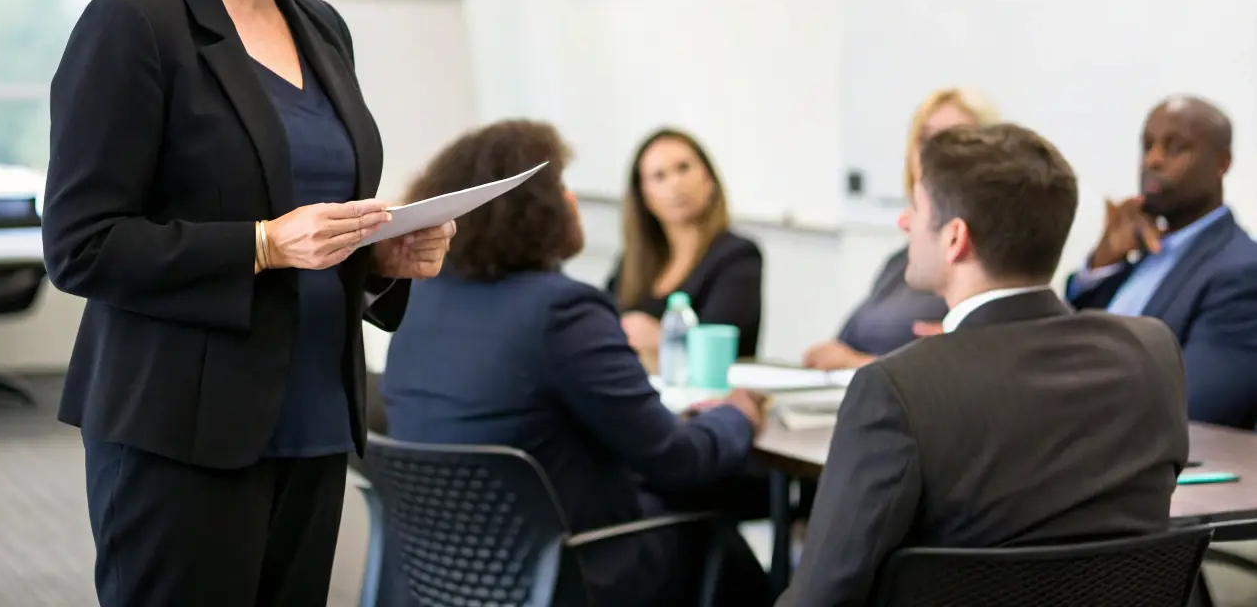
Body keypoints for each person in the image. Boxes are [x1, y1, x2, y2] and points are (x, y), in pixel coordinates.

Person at [41, 0, 455, 607]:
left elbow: (317, 231)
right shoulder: (133, 26)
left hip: (312, 418)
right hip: (178, 433)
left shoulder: (322, 28)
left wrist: (380, 259)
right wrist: (264, 246)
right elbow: (81, 247)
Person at [781, 123, 1188, 607]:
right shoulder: (1152, 353)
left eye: (916, 208)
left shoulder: (898, 389)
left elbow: (821, 597)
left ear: (955, 239)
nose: (904, 223)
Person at [382, 120, 772, 607]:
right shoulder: (561, 310)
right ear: (533, 209)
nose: (573, 201)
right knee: (725, 544)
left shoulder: (418, 300)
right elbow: (678, 461)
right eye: (561, 187)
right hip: (574, 572)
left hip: (448, 576)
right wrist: (736, 414)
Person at [1066, 95, 1257, 428]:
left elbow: (1191, 407)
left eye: (1175, 148)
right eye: (1148, 145)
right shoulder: (1141, 251)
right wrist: (1103, 262)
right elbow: (1064, 338)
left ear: (1222, 163)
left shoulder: (1242, 272)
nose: (1152, 160)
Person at [803, 87, 997, 370]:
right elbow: (842, 342)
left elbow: (961, 370)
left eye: (953, 139)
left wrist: (858, 364)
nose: (933, 151)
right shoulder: (901, 262)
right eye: (925, 138)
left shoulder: (980, 264)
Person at [606, 129, 763, 361]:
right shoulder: (633, 260)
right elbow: (600, 322)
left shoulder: (738, 255)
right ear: (644, 196)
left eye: (684, 168)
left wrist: (661, 338)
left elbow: (719, 347)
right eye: (659, 176)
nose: (675, 184)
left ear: (708, 178)